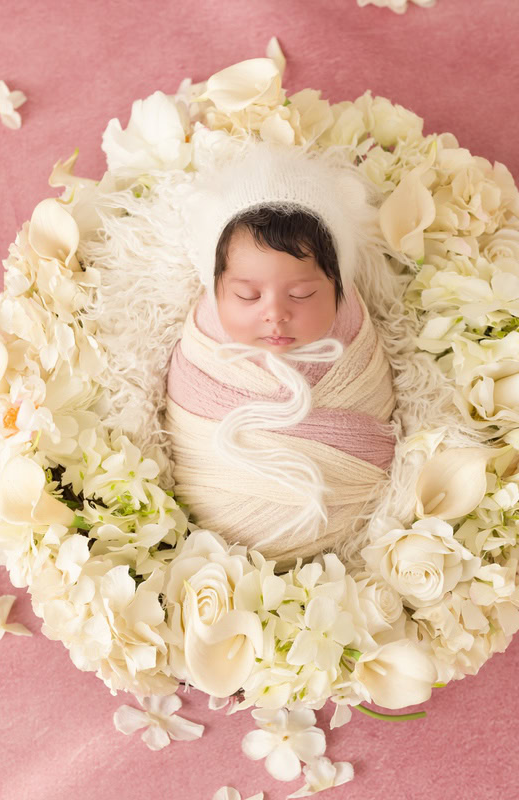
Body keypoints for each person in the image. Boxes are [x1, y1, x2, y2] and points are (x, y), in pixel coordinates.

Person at [164, 141, 397, 565]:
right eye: (247, 295)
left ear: (339, 288)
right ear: (215, 290)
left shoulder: (353, 335)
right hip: (222, 528)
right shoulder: (203, 343)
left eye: (302, 293)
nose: (275, 314)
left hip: (341, 521)